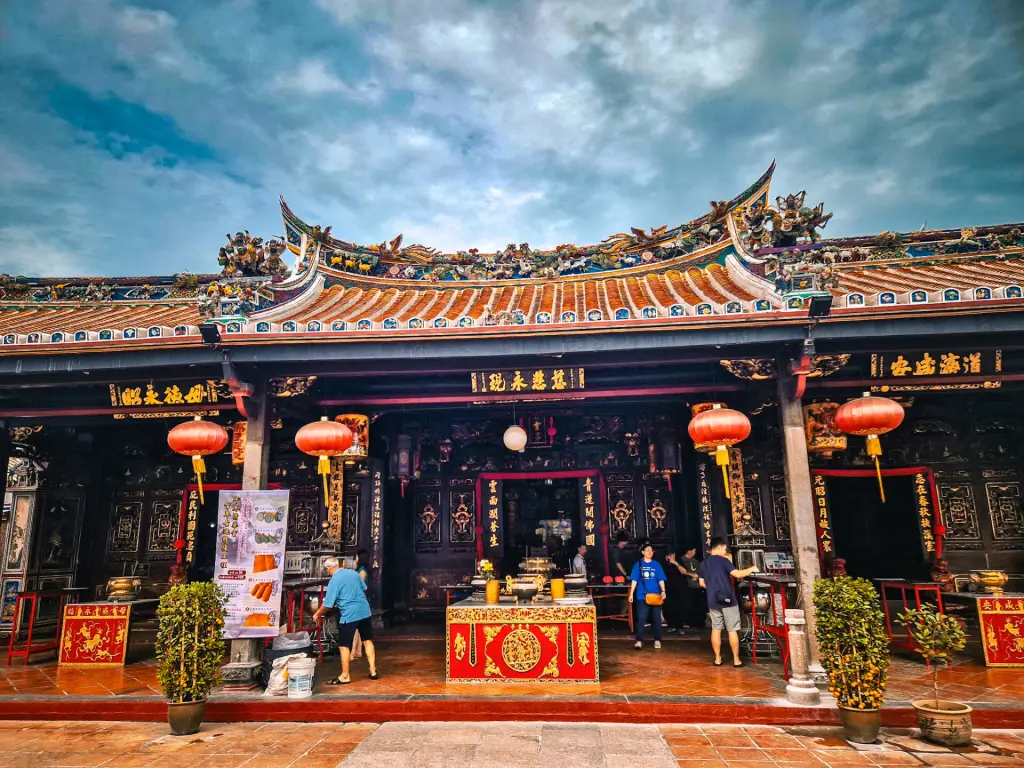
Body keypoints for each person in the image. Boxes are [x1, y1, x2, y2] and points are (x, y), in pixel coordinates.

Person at [312, 557, 379, 684]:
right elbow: (363, 588)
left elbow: (327, 604)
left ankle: (345, 676)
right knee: (367, 640)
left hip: (349, 614)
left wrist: (317, 614)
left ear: (329, 568)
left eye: (326, 569)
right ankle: (373, 671)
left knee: (344, 645)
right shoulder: (353, 573)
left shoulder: (334, 581)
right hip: (364, 610)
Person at [698, 537, 758, 667]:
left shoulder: (703, 563)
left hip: (712, 599)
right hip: (727, 599)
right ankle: (736, 660)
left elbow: (702, 583)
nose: (725, 551)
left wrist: (713, 587)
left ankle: (717, 659)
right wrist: (751, 569)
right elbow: (737, 574)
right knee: (732, 629)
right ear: (718, 547)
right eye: (724, 549)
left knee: (716, 628)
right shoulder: (723, 561)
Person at [628, 543, 666, 650]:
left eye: (652, 551)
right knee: (641, 618)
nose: (650, 552)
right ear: (643, 552)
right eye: (648, 550)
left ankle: (657, 640)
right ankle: (639, 640)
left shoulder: (657, 565)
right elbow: (634, 580)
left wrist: (663, 591)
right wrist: (631, 594)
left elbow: (661, 579)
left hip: (656, 595)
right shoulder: (638, 565)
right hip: (642, 596)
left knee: (656, 619)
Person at [351, 550, 370, 660]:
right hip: (359, 600)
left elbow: (359, 587)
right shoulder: (357, 570)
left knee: (355, 627)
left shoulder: (362, 571)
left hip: (359, 600)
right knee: (358, 628)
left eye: (356, 557)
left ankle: (353, 652)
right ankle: (358, 651)